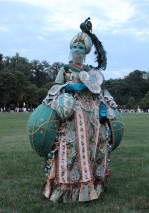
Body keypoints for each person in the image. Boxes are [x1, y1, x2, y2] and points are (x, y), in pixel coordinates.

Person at [41, 18, 120, 203]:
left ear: (86, 50)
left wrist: (104, 107)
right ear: (71, 49)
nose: (77, 49)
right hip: (71, 114)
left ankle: (92, 184)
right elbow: (55, 87)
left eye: (80, 46)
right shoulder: (64, 69)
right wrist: (69, 88)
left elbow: (100, 90)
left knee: (95, 146)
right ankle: (68, 187)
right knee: (70, 147)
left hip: (92, 115)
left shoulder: (92, 71)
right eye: (74, 46)